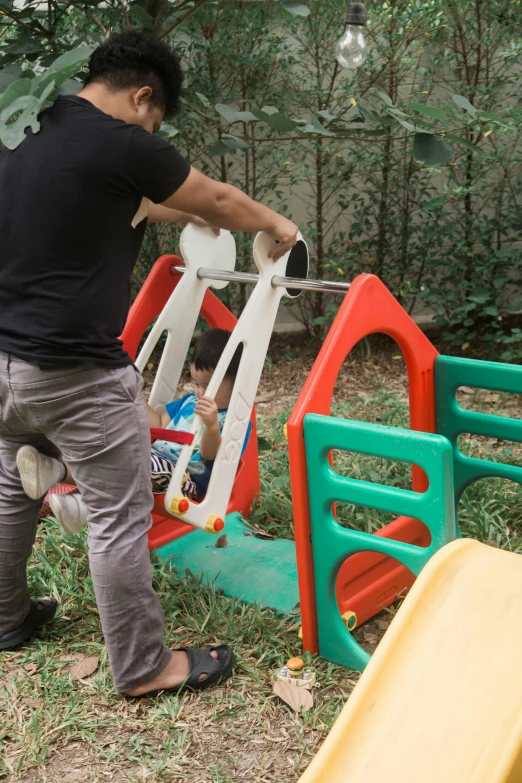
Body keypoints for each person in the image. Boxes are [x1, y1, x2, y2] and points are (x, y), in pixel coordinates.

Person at [0, 30, 298, 696]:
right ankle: (143, 666)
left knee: (10, 492)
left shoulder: (25, 130)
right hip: (74, 372)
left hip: (4, 364)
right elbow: (216, 198)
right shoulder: (121, 140)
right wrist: (274, 225)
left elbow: (131, 200)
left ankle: (7, 617)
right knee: (118, 515)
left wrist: (196, 215)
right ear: (143, 98)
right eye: (156, 119)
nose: (152, 131)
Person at [16, 329, 249, 533]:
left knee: (135, 466)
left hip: (185, 480)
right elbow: (157, 423)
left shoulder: (236, 421)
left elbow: (210, 455)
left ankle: (83, 508)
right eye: (197, 383)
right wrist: (135, 393)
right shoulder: (189, 402)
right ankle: (54, 471)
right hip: (153, 459)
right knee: (111, 453)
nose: (200, 392)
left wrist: (211, 425)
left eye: (208, 386)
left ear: (237, 381)